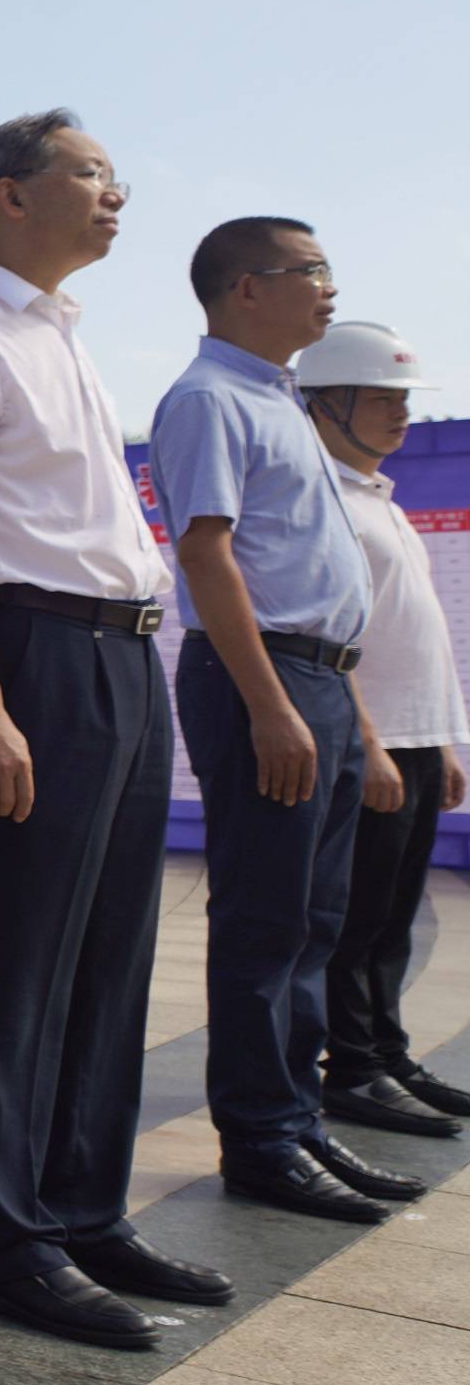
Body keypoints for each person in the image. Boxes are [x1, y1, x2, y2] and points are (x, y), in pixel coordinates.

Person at [0, 113, 222, 1352]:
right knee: (14, 952)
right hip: (35, 653)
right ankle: (6, 1239)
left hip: (122, 657)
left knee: (109, 953)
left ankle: (83, 1207)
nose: (116, 191)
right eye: (90, 171)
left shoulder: (63, 336)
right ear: (11, 194)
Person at [152, 217, 413, 1222]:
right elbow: (208, 555)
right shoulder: (210, 399)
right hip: (265, 675)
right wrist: (269, 704)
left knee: (315, 919)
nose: (328, 290)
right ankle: (260, 1137)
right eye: (311, 272)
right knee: (266, 920)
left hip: (318, 679)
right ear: (244, 288)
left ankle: (298, 1120)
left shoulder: (279, 402)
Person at [297, 322, 470, 1137]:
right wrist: (368, 742)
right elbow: (336, 634)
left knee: (394, 918)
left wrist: (437, 738)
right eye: (384, 399)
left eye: (405, 400)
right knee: (357, 917)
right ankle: (353, 1070)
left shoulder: (379, 497)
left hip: (414, 737)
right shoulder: (324, 498)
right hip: (373, 741)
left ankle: (387, 1052)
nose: (402, 415)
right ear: (328, 404)